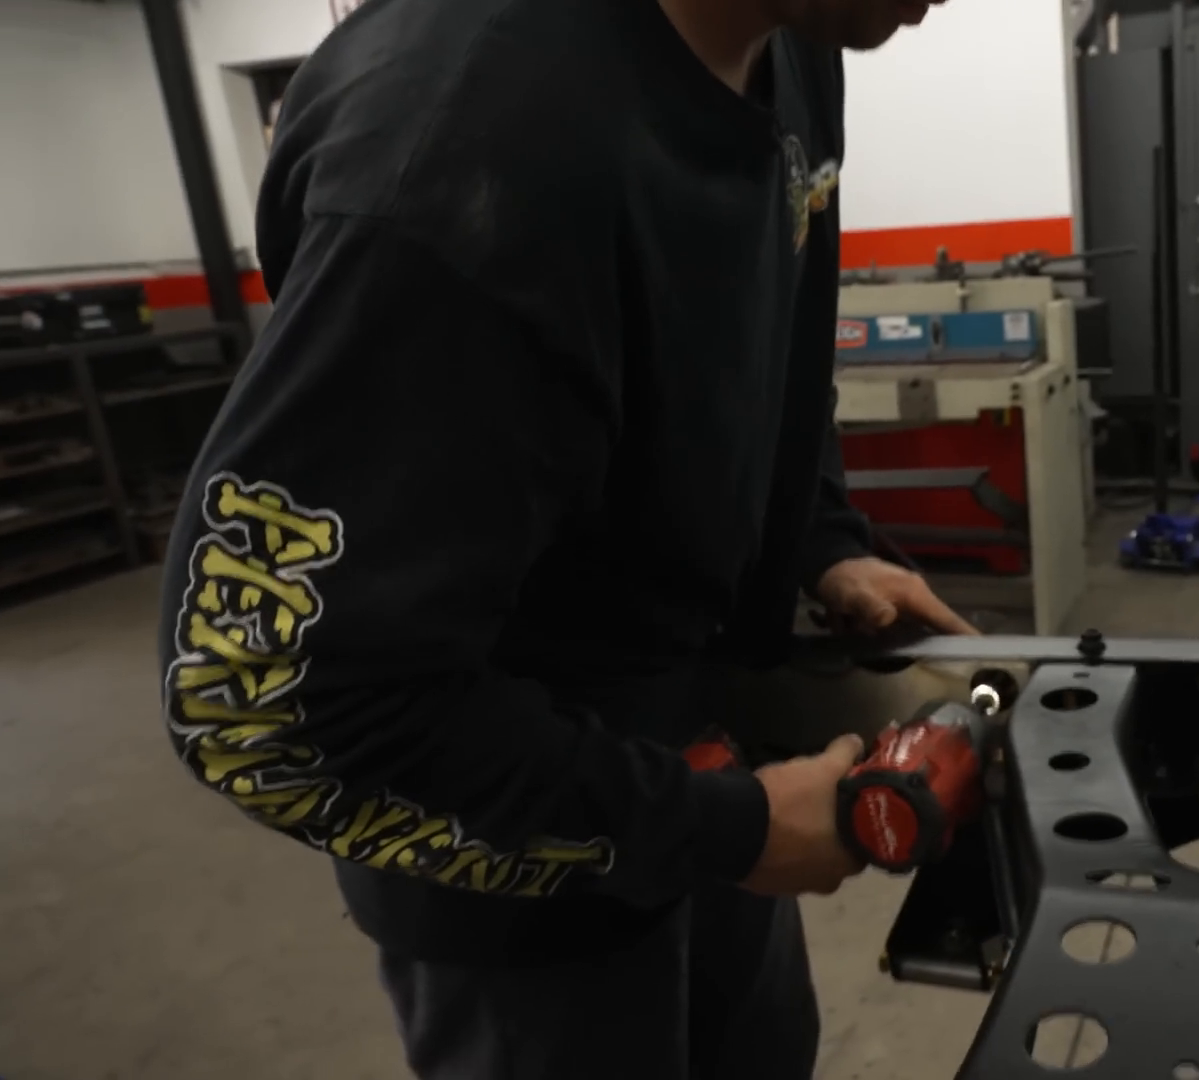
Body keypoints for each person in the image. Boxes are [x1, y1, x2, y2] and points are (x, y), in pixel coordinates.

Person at [154, 0, 970, 1075]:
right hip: (518, 886)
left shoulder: (801, 41)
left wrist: (823, 537)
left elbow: (764, 340)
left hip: (711, 775)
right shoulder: (466, 146)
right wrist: (728, 831)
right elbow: (262, 698)